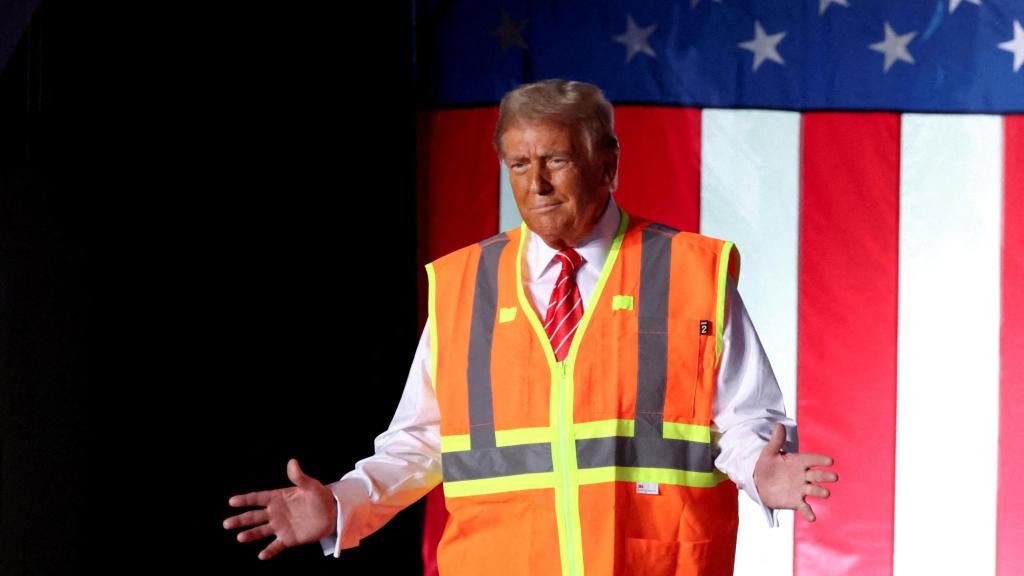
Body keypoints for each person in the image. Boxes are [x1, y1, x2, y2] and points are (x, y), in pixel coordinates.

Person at [223, 79, 837, 575]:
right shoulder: (464, 285)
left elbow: (744, 417)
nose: (536, 185)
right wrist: (340, 503)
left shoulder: (689, 271)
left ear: (607, 163)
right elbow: (419, 442)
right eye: (518, 165)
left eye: (556, 160)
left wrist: (761, 469)